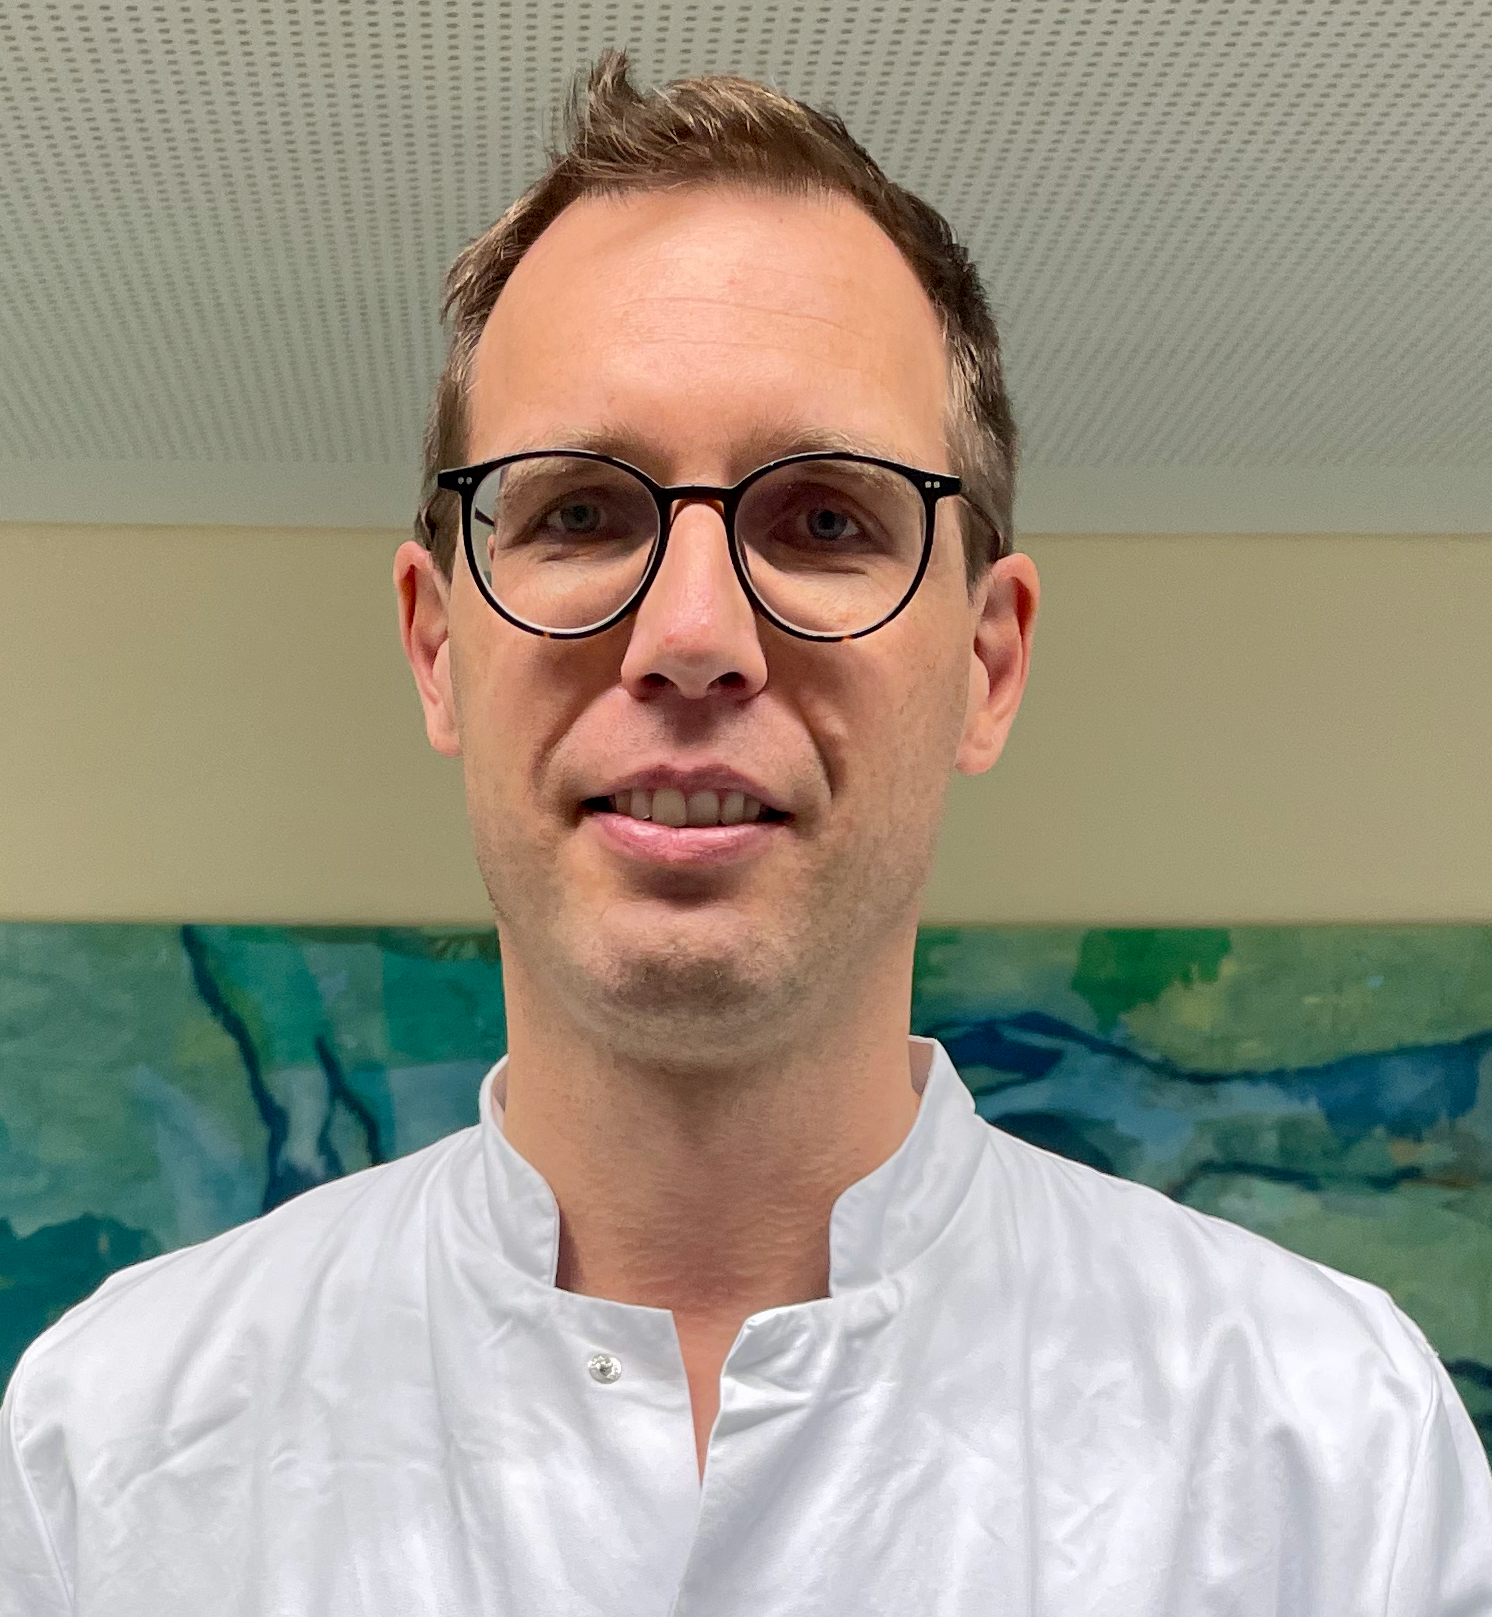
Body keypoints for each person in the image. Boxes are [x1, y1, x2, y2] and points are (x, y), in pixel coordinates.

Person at [3, 51, 1490, 1616]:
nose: (694, 635)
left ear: (987, 664)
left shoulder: (1331, 1458)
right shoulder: (109, 1453)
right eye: (580, 511)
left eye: (826, 518)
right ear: (437, 645)